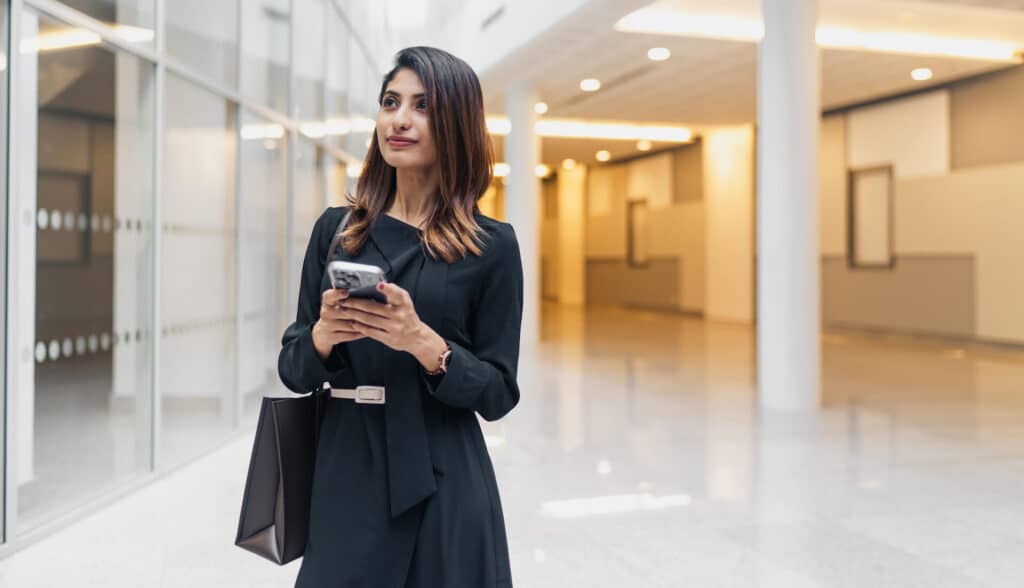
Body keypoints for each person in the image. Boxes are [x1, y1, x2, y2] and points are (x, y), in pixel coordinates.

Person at [278, 46, 523, 588]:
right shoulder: (336, 231)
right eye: (391, 102)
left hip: (443, 474)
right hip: (345, 467)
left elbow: (500, 394)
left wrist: (427, 346)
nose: (400, 119)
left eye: (422, 106)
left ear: (456, 122)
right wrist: (321, 337)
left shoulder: (492, 246)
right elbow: (292, 369)